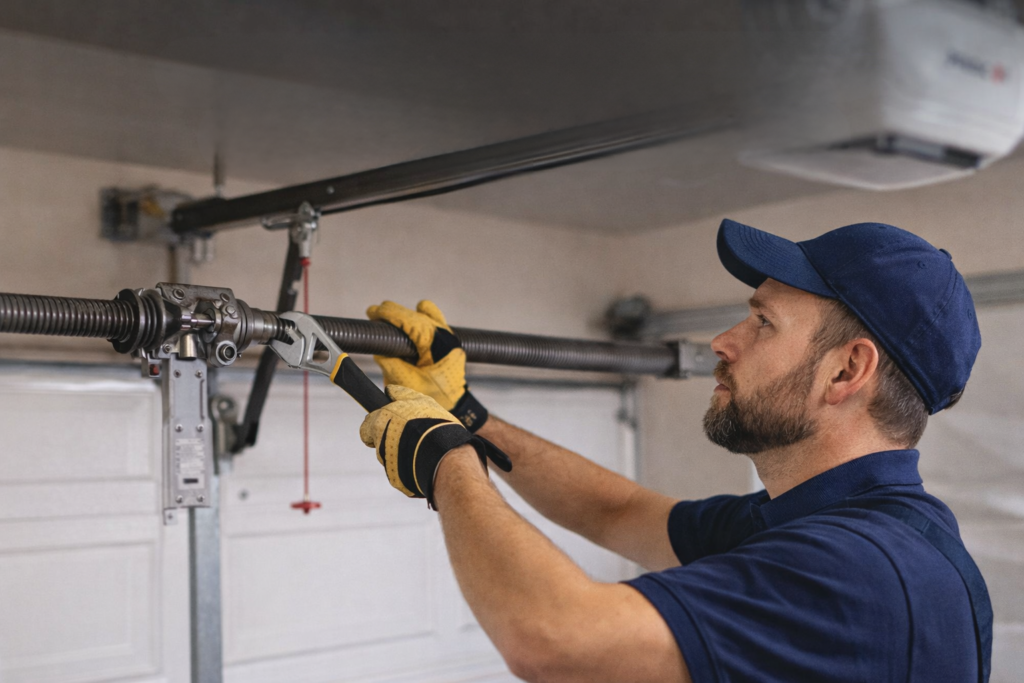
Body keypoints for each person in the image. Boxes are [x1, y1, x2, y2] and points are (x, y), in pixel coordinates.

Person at [358, 219, 991, 683]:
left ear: (846, 371)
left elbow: (554, 639)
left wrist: (447, 461)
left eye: (763, 322)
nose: (722, 340)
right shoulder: (841, 524)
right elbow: (621, 513)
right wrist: (466, 416)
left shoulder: (857, 568)